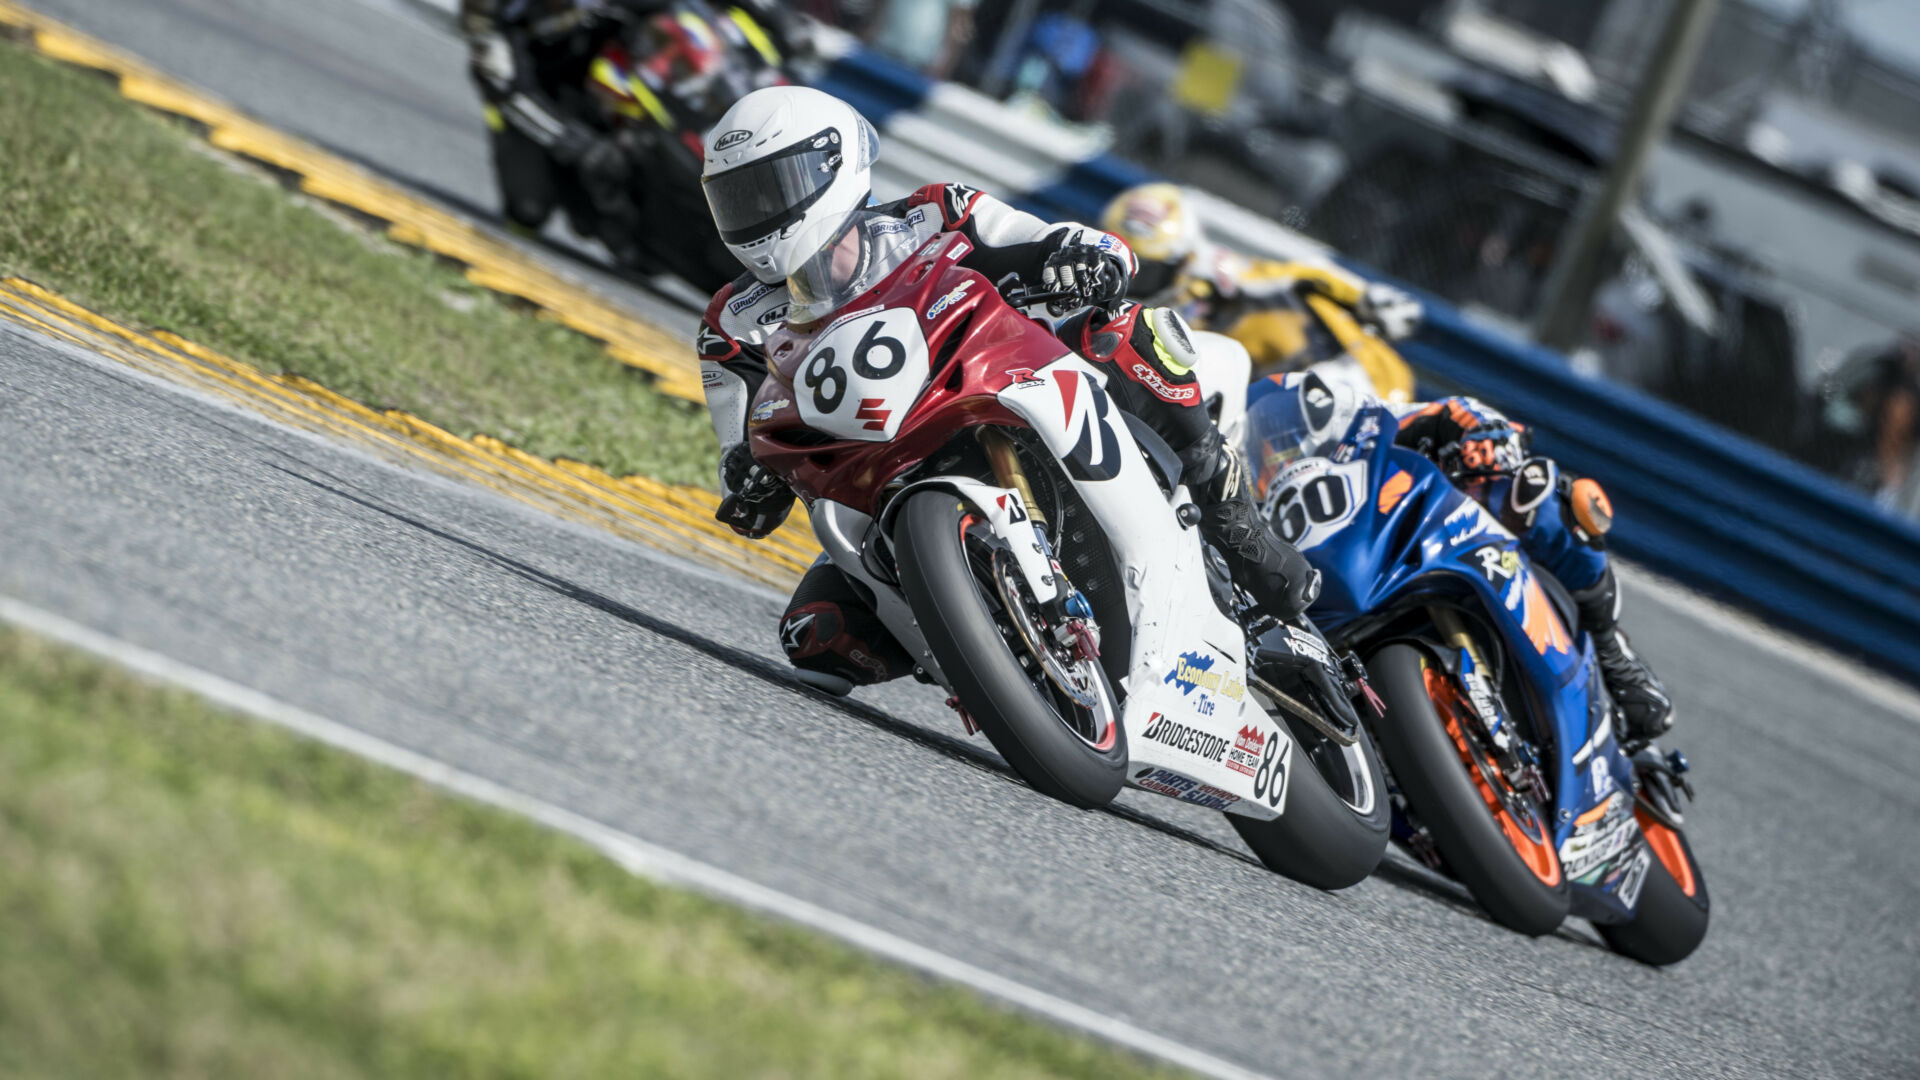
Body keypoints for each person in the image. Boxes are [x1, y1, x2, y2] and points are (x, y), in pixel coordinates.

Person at [695, 85, 1320, 695]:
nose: (755, 214)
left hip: (994, 386)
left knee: (1132, 331)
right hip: (876, 476)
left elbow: (1047, 238)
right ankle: (988, 638)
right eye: (737, 199)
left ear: (831, 166)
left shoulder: (934, 214)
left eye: (769, 189)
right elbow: (738, 450)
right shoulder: (731, 323)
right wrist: (749, 482)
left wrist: (1081, 256)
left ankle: (1237, 525)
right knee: (818, 640)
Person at [1250, 372, 1674, 742]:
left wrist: (1486, 440)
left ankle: (1613, 651)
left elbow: (1458, 410)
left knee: (1545, 499)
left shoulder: (1366, 428)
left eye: (1285, 446)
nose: (1279, 460)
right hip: (1342, 584)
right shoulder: (1250, 506)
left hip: (1430, 532)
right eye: (1268, 456)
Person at [461, 0, 802, 266]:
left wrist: (774, 15)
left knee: (704, 34)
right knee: (527, 210)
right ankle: (616, 216)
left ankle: (770, 121)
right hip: (545, 88)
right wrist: (574, 144)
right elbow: (502, 85)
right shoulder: (486, 12)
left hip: (619, 43)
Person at [1100, 183, 1422, 401]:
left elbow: (1303, 272)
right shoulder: (1131, 313)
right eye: (1122, 264)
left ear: (1180, 257)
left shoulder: (1216, 274)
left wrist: (1363, 297)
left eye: (1149, 266)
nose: (1133, 277)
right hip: (1271, 401)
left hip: (1350, 373)